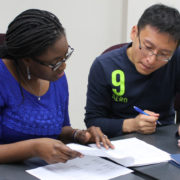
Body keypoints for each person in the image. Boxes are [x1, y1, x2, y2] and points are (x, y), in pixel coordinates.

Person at [0, 9, 114, 164]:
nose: (63, 66)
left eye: (65, 56)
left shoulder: (56, 78)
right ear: (27, 60)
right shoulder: (3, 78)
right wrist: (34, 148)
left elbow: (58, 129)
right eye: (55, 62)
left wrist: (78, 134)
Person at [84, 3, 180, 138]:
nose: (151, 60)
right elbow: (93, 121)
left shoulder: (176, 59)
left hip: (164, 137)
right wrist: (132, 125)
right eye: (147, 47)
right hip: (118, 141)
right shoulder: (104, 65)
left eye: (164, 54)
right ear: (134, 33)